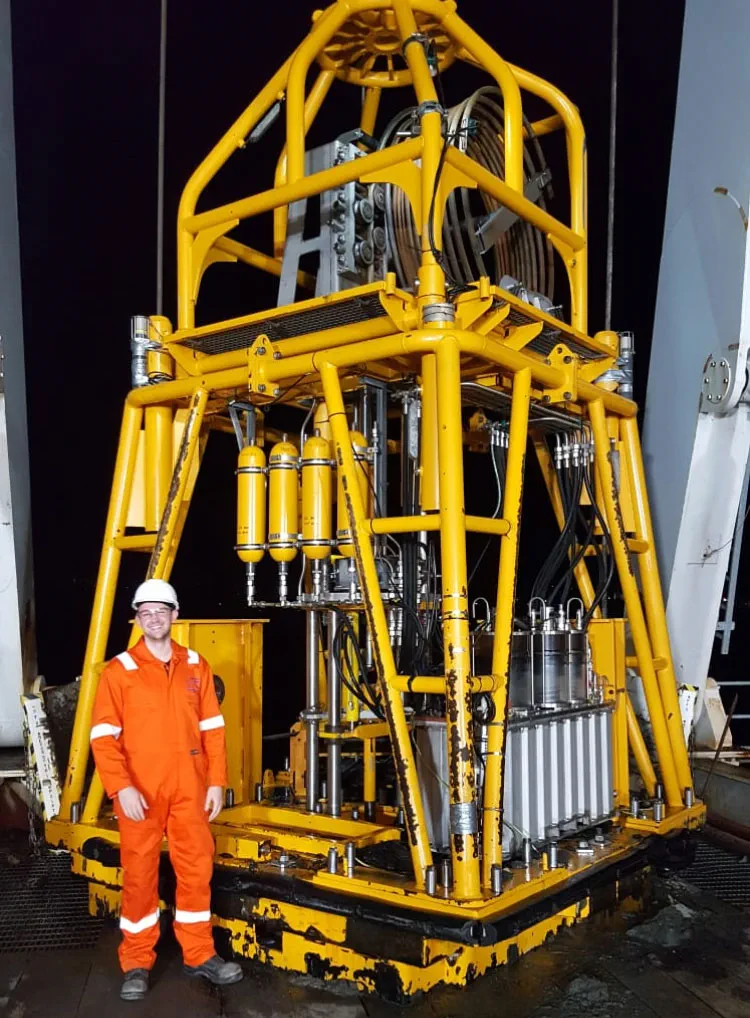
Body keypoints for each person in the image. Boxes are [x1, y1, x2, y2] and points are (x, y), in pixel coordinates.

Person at [90, 579, 243, 1001]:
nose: (154, 618)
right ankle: (137, 961)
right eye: (146, 612)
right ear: (137, 619)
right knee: (139, 877)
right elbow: (103, 737)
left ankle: (199, 953)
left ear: (176, 615)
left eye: (162, 610)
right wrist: (121, 789)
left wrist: (216, 782)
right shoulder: (119, 671)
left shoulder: (197, 665)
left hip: (190, 790)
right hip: (140, 791)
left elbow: (213, 728)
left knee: (197, 871)